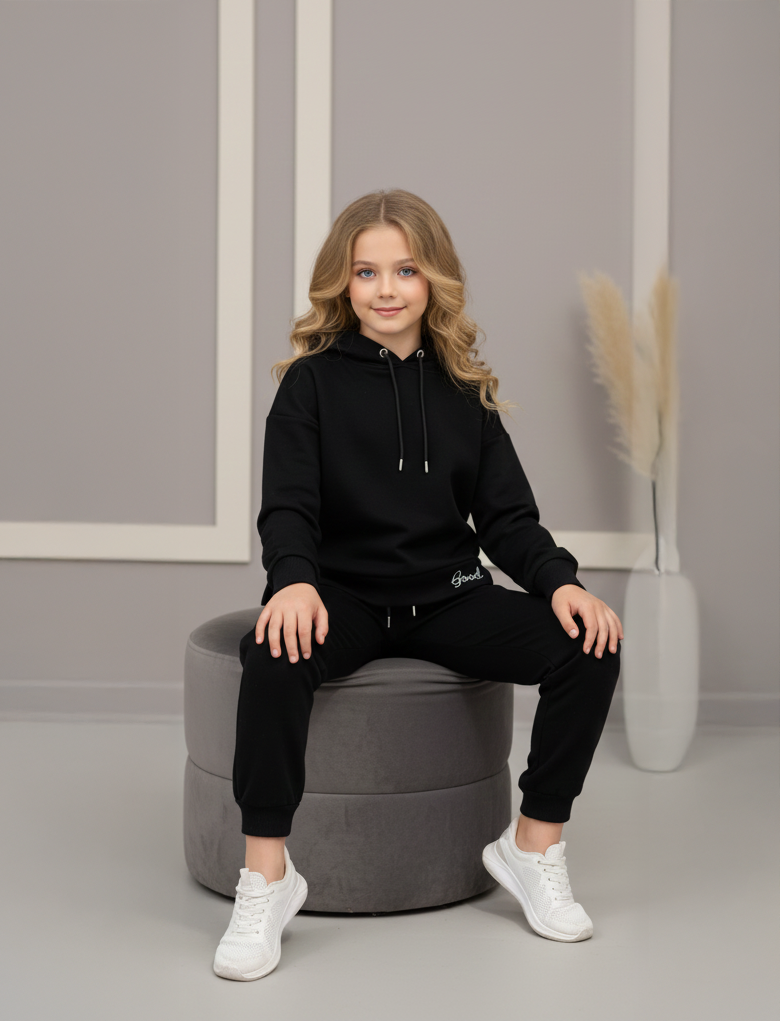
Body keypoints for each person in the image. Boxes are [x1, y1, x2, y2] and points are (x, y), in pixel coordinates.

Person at [213, 189, 623, 981]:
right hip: (344, 599)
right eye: (366, 271)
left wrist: (560, 583)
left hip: (450, 597)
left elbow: (508, 518)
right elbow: (288, 507)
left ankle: (533, 844)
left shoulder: (465, 390)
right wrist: (292, 581)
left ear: (435, 278)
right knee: (271, 651)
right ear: (342, 282)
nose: (387, 289)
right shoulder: (309, 385)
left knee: (591, 645)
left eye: (405, 269)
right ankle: (267, 874)